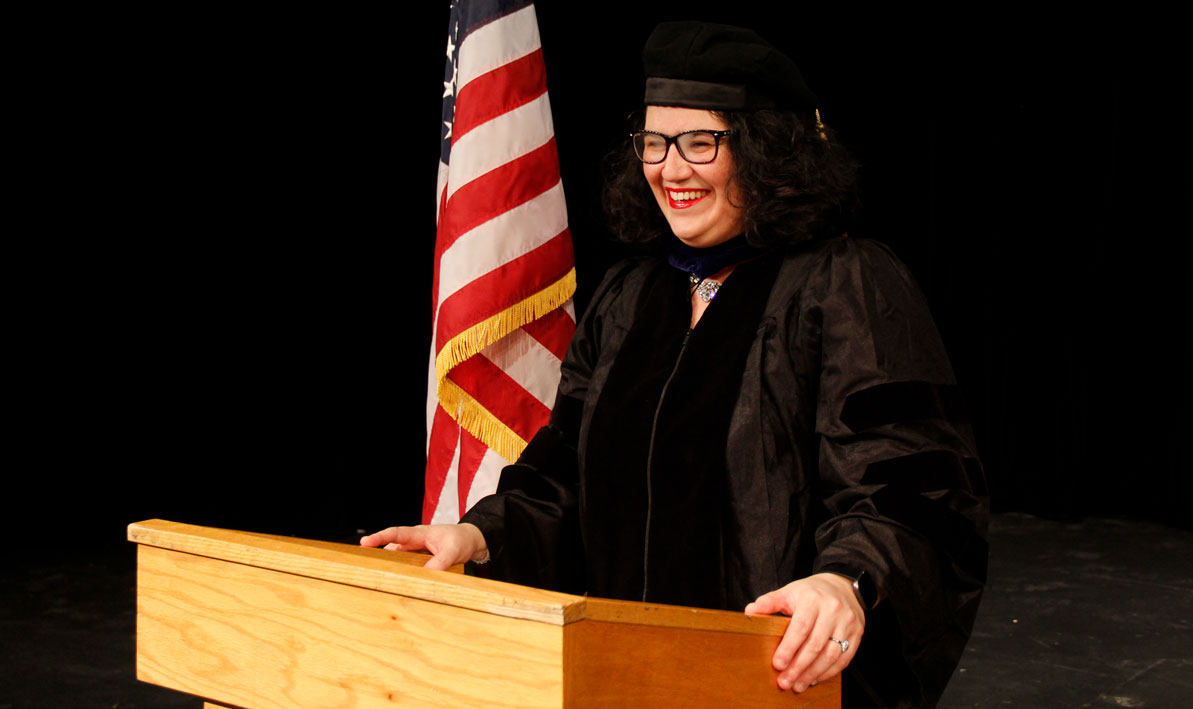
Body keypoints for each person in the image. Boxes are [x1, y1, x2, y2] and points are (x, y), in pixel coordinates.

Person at [364, 21, 987, 708]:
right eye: (655, 143)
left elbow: (909, 480)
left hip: (769, 674)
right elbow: (564, 472)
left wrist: (846, 580)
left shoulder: (841, 284)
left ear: (764, 153)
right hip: (622, 670)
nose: (669, 167)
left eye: (700, 142)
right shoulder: (631, 295)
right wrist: (480, 531)